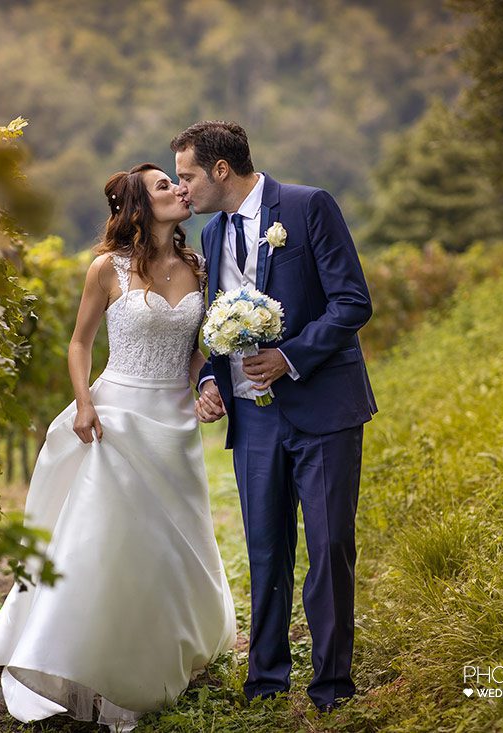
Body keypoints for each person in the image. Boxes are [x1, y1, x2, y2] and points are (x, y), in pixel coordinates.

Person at [0, 163, 236, 731]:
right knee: (112, 541)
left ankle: (163, 652)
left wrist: (210, 382)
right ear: (140, 208)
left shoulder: (198, 266)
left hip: (174, 425)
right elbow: (79, 343)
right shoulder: (107, 269)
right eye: (163, 185)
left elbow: (196, 352)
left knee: (176, 542)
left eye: (175, 182)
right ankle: (87, 660)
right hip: (116, 416)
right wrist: (84, 401)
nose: (177, 188)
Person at [171, 121, 377, 712]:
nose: (181, 190)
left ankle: (332, 686)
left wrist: (290, 357)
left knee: (331, 543)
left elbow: (352, 300)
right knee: (265, 549)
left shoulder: (309, 207)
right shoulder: (210, 235)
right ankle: (266, 681)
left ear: (219, 170)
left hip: (323, 406)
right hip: (255, 419)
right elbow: (216, 324)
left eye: (186, 177)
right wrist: (212, 380)